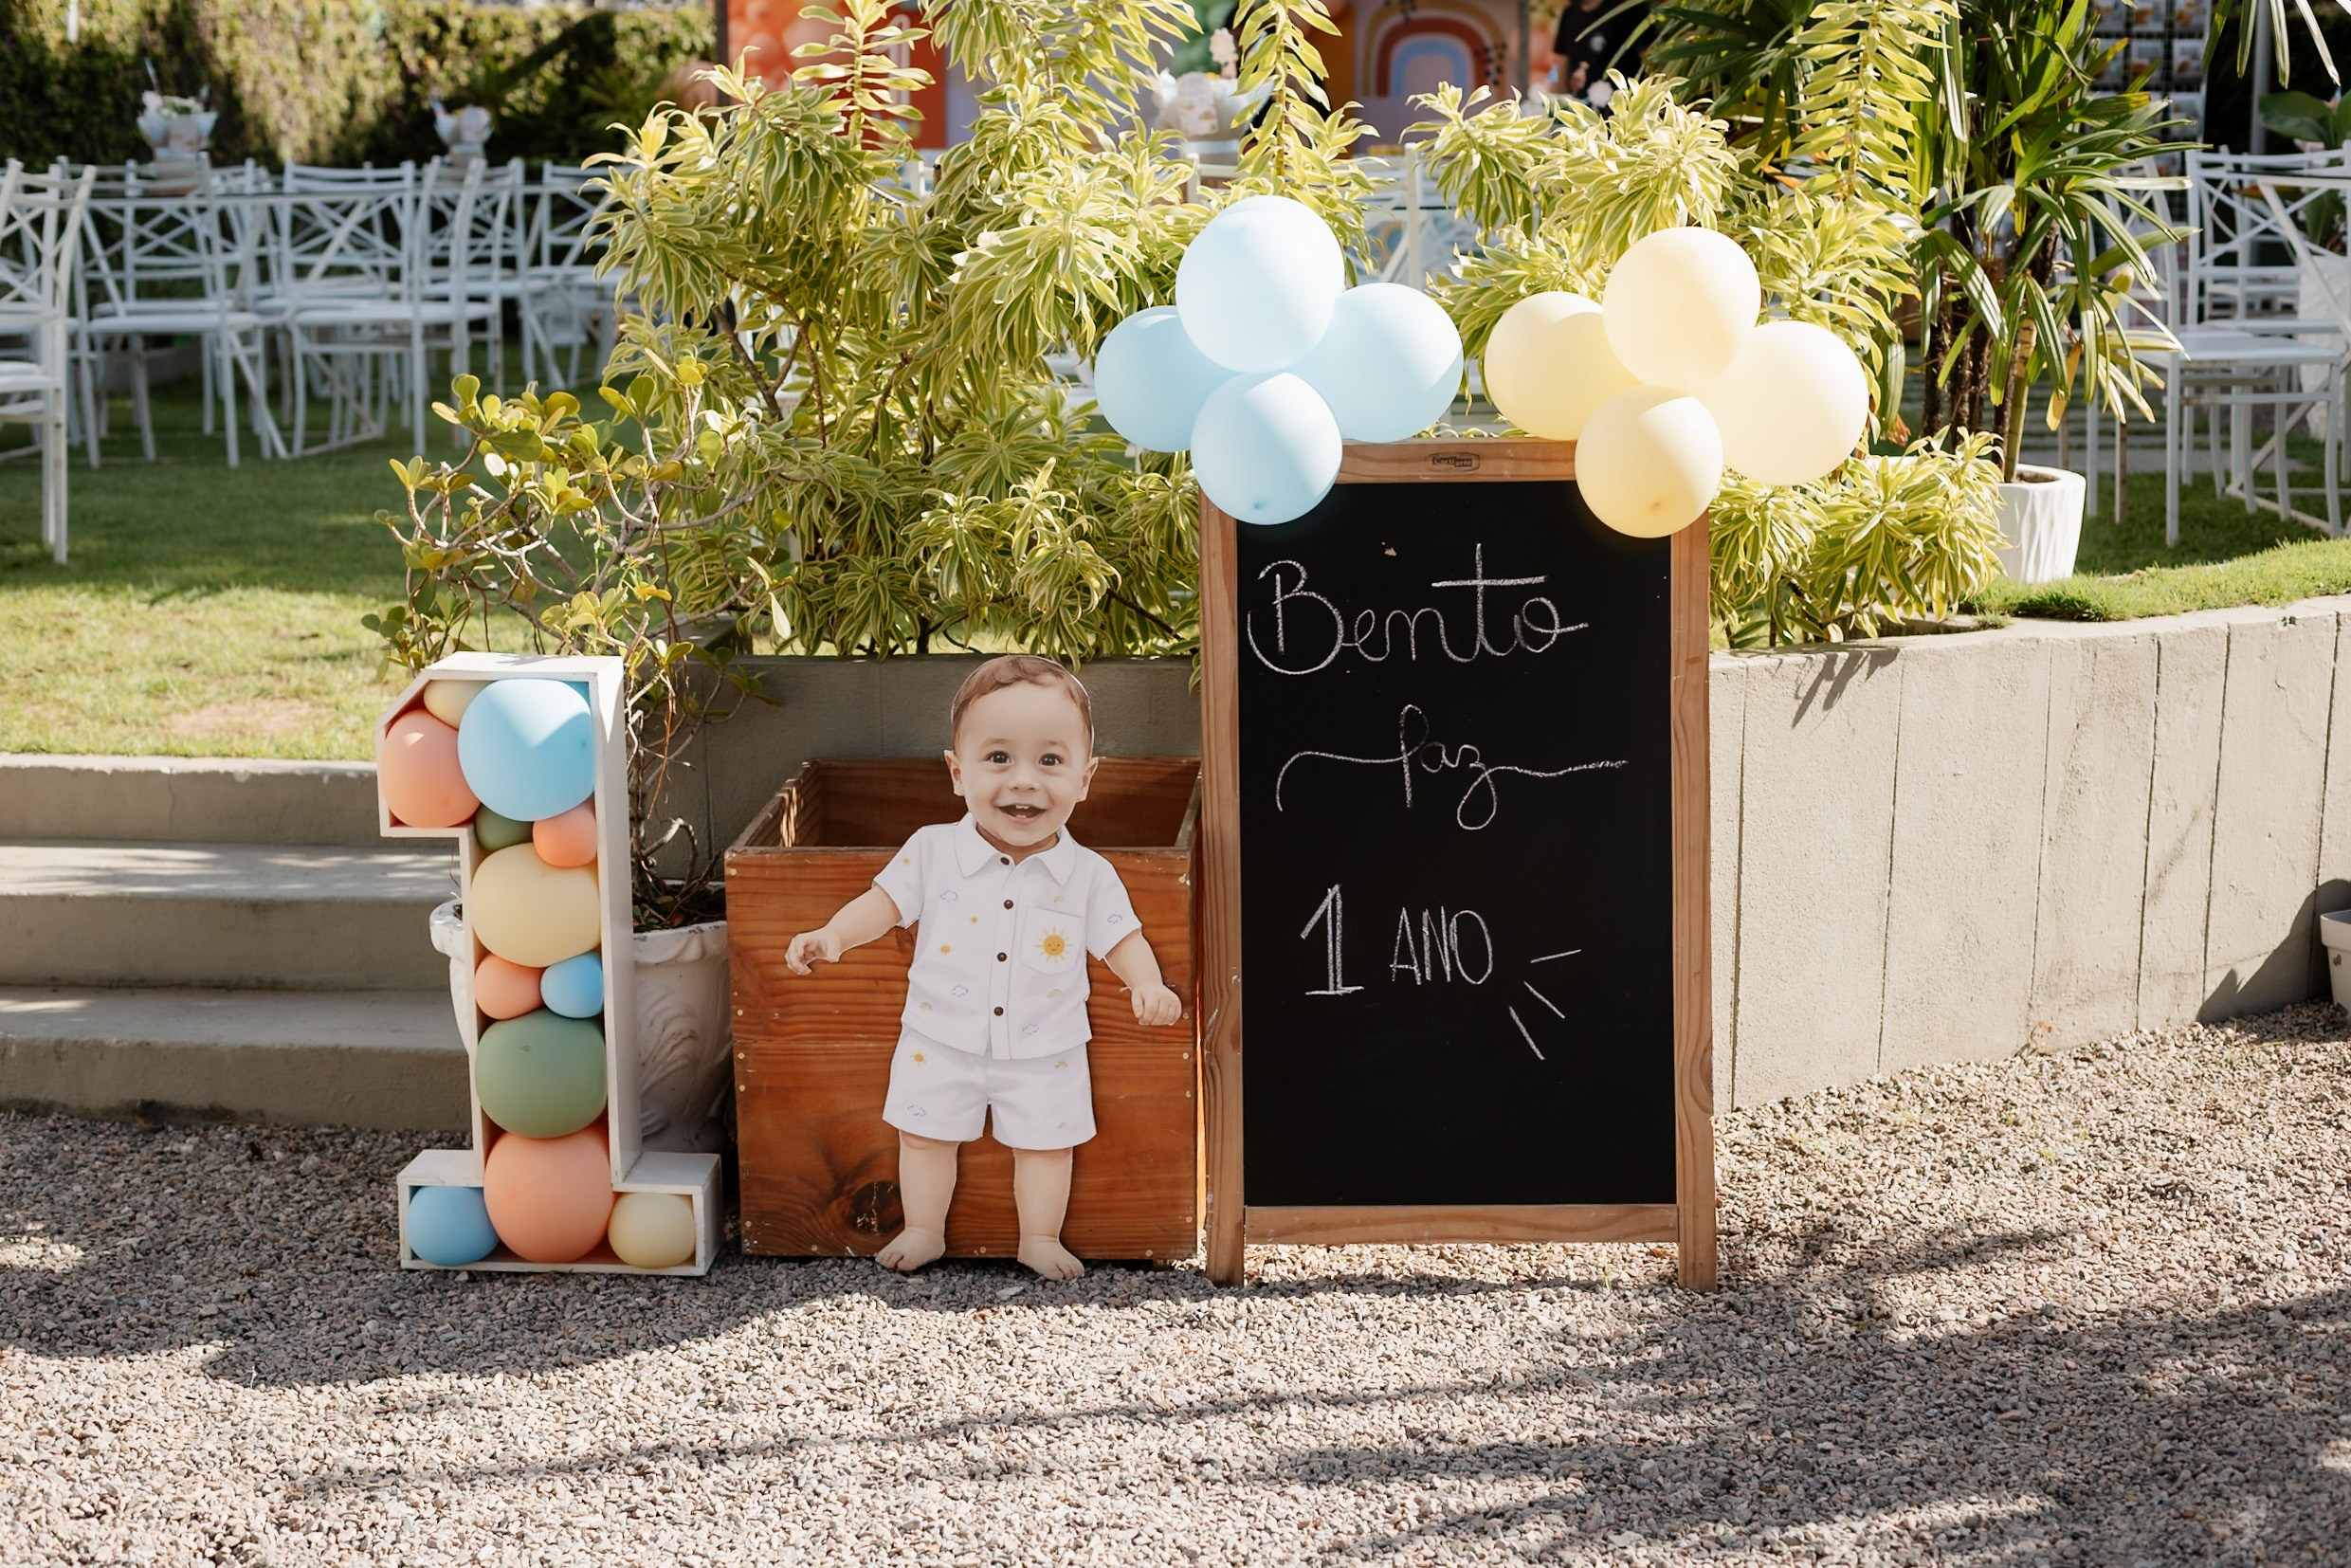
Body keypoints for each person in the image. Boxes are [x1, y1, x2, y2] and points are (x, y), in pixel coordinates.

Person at [785, 655, 1185, 1281]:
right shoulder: (932, 850)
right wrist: (834, 935)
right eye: (998, 758)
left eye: (1050, 761)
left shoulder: (1088, 874)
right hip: (940, 1037)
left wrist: (1147, 982)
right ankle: (922, 1228)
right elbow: (885, 904)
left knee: (1048, 1146)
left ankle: (1040, 1237)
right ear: (956, 771)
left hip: (1046, 1044)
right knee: (923, 1137)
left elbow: (1121, 935)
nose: (1023, 782)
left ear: (1085, 778)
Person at [1553, 0, 1652, 107]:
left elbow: (1650, 57)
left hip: (1621, 109)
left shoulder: (1630, 8)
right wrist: (1560, 104)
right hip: (1580, 110)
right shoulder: (1569, 13)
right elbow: (1562, 60)